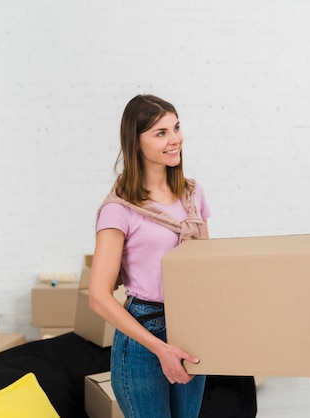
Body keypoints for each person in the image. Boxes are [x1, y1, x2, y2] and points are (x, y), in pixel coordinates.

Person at [89, 94, 210, 418]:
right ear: (135, 142)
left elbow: (208, 268)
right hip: (144, 337)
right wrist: (160, 349)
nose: (175, 140)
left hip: (190, 329)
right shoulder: (119, 209)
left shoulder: (192, 195)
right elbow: (99, 297)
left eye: (176, 128)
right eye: (161, 133)